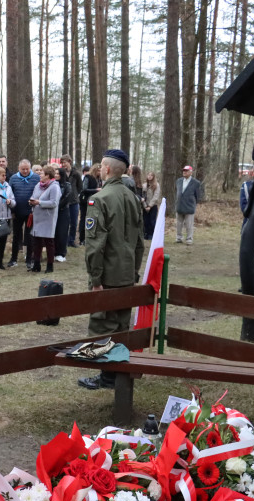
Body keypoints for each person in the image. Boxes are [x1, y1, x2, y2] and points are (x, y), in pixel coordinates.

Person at [78, 150, 144, 390]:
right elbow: (139, 243)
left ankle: (106, 376)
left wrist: (96, 279)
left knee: (103, 325)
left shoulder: (100, 199)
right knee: (121, 325)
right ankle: (115, 374)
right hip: (126, 273)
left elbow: (95, 246)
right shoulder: (133, 198)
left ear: (105, 169)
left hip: (107, 275)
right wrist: (134, 271)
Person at [27, 165, 61, 272]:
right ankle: (36, 265)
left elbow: (54, 203)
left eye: (41, 173)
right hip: (37, 217)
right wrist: (32, 201)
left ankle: (50, 266)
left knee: (48, 242)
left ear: (47, 175)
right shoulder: (38, 185)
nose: (39, 175)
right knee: (36, 242)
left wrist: (39, 202)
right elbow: (34, 196)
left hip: (48, 218)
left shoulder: (54, 186)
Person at [8, 159, 40, 268]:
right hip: (17, 212)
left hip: (31, 212)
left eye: (27, 169)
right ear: (19, 169)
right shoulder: (13, 178)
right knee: (16, 236)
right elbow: (10, 194)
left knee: (29, 236)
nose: (25, 171)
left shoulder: (36, 178)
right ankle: (13, 259)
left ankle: (29, 259)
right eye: (23, 169)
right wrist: (12, 211)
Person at [175, 165, 202, 245]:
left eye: (186, 171)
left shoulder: (196, 183)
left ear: (191, 172)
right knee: (179, 223)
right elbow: (177, 192)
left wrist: (193, 203)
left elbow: (197, 195)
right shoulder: (179, 181)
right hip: (179, 205)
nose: (184, 172)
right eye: (184, 170)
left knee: (189, 224)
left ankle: (189, 238)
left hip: (189, 206)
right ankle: (179, 237)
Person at [59, 155, 82, 248]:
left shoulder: (76, 173)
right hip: (64, 201)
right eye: (62, 163)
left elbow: (80, 186)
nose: (63, 164)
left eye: (64, 162)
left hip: (74, 201)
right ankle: (63, 240)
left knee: (74, 222)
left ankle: (71, 240)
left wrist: (75, 194)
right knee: (65, 222)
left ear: (69, 161)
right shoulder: (61, 173)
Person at [52, 166, 74, 263]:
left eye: (58, 173)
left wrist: (56, 206)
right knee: (54, 233)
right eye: (55, 173)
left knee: (62, 233)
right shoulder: (52, 184)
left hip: (63, 211)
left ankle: (61, 253)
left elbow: (66, 198)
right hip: (53, 211)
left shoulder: (67, 185)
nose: (56, 175)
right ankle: (54, 252)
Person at [79, 164, 101, 245]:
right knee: (84, 219)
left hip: (95, 202)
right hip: (85, 201)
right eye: (98, 170)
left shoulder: (99, 179)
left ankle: (90, 237)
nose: (100, 172)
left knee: (93, 219)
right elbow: (84, 189)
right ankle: (82, 239)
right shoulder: (88, 177)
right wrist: (96, 190)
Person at [143, 171, 161, 239]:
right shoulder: (144, 185)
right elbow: (142, 196)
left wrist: (150, 206)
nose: (150, 176)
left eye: (151, 175)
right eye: (148, 175)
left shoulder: (156, 185)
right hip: (145, 206)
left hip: (153, 206)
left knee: (152, 221)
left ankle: (151, 234)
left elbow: (156, 196)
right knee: (145, 221)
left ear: (153, 177)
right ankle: (146, 234)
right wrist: (145, 205)